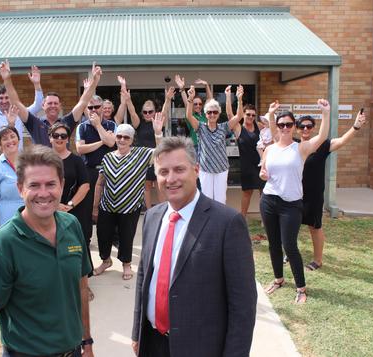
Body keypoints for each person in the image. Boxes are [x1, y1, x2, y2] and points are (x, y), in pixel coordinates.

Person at [131, 136, 257, 357]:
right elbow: (144, 276)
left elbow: (243, 306)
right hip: (151, 342)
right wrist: (137, 333)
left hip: (201, 348)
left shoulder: (228, 223)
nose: (171, 179)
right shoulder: (152, 217)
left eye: (179, 169)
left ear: (196, 170)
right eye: (163, 172)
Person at [0, 145, 93, 357]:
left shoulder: (72, 225)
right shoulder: (1, 245)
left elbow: (81, 288)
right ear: (20, 188)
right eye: (34, 185)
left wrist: (87, 342)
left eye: (51, 184)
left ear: (62, 185)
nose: (43, 193)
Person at [259, 99, 330, 304]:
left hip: (291, 204)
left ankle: (301, 288)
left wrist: (325, 113)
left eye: (289, 124)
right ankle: (278, 279)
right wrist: (263, 174)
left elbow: (322, 136)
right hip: (269, 200)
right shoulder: (270, 149)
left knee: (289, 245)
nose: (285, 128)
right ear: (277, 127)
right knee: (273, 244)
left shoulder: (301, 148)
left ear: (294, 127)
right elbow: (263, 172)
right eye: (281, 124)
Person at [92, 114, 164, 280]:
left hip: (130, 207)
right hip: (106, 206)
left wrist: (158, 133)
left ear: (132, 140)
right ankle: (106, 261)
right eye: (119, 136)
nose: (122, 140)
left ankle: (126, 264)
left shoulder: (141, 154)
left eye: (126, 137)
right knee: (103, 235)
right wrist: (95, 206)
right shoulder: (107, 157)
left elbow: (160, 153)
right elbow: (99, 183)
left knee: (126, 236)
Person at [299, 110, 366, 271]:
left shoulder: (322, 145)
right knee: (291, 225)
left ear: (314, 128)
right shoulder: (294, 145)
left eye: (309, 126)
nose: (306, 129)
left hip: (313, 195)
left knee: (314, 227)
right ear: (297, 129)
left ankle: (318, 260)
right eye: (302, 126)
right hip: (294, 193)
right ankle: (291, 253)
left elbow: (342, 141)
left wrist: (355, 127)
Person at [0, 60, 101, 146]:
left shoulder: (67, 122)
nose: (53, 106)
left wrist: (95, 81)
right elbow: (16, 103)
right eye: (50, 103)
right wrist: (7, 79)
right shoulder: (34, 123)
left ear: (60, 106)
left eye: (56, 104)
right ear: (43, 106)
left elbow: (83, 102)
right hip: (41, 167)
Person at [49, 122, 93, 282]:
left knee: (77, 244)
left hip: (73, 210)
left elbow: (85, 185)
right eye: (56, 135)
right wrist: (55, 206)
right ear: (50, 138)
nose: (59, 138)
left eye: (63, 136)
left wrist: (69, 205)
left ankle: (83, 281)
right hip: (48, 209)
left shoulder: (76, 160)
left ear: (68, 139)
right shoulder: (44, 160)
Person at [185, 85, 242, 204]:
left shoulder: (223, 127)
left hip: (221, 169)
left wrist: (239, 99)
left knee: (221, 200)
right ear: (205, 114)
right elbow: (189, 116)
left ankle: (220, 222)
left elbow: (239, 116)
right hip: (205, 169)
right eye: (209, 112)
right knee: (207, 199)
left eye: (215, 112)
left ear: (218, 113)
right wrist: (190, 99)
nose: (212, 115)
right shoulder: (200, 127)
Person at [75, 95, 118, 241]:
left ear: (102, 107)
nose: (93, 110)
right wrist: (102, 141)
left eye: (97, 107)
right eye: (90, 107)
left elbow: (112, 143)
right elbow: (80, 149)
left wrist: (99, 126)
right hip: (89, 171)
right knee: (87, 208)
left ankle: (108, 240)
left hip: (109, 172)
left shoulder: (111, 125)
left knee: (108, 207)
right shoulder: (82, 126)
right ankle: (86, 239)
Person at [126, 84, 173, 209]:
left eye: (150, 111)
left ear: (154, 112)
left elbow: (165, 111)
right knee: (146, 187)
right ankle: (149, 211)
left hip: (158, 158)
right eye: (145, 112)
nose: (147, 114)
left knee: (160, 184)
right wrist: (128, 99)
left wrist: (168, 99)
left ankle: (163, 210)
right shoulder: (138, 123)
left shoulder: (157, 121)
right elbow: (131, 111)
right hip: (143, 160)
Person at [228, 98, 266, 218]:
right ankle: (242, 218)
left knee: (264, 192)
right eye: (248, 114)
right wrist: (229, 96)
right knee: (247, 193)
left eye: (253, 115)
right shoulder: (238, 128)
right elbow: (230, 114)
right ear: (243, 114)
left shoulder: (259, 126)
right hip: (246, 166)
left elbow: (271, 131)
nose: (250, 117)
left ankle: (265, 218)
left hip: (261, 164)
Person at [174, 75, 213, 154]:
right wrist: (182, 89)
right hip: (195, 146)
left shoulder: (205, 116)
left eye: (200, 104)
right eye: (195, 104)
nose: (198, 106)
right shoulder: (191, 115)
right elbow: (186, 102)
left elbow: (210, 100)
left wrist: (206, 85)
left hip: (207, 146)